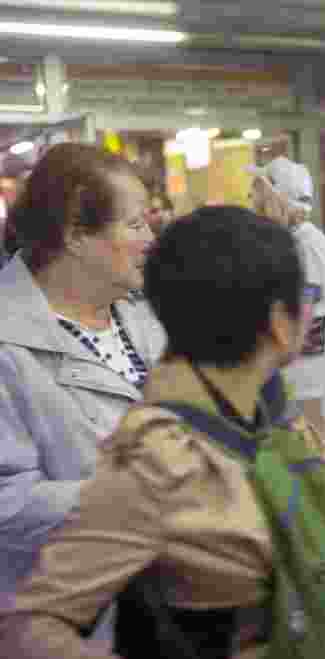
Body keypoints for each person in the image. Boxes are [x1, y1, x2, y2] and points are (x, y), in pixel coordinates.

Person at [0, 205, 325, 659]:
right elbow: (31, 625)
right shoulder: (160, 454)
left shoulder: (263, 414)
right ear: (280, 321)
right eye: (305, 296)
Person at [0, 143, 166, 637]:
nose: (151, 238)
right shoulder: (9, 343)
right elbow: (8, 502)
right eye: (135, 225)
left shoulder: (142, 315)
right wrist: (142, 495)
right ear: (76, 235)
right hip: (67, 622)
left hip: (165, 606)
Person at [248, 156, 325, 440]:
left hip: (309, 388)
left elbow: (304, 324)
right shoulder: (291, 243)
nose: (250, 204)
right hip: (297, 383)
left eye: (255, 197)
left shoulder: (310, 249)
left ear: (275, 200)